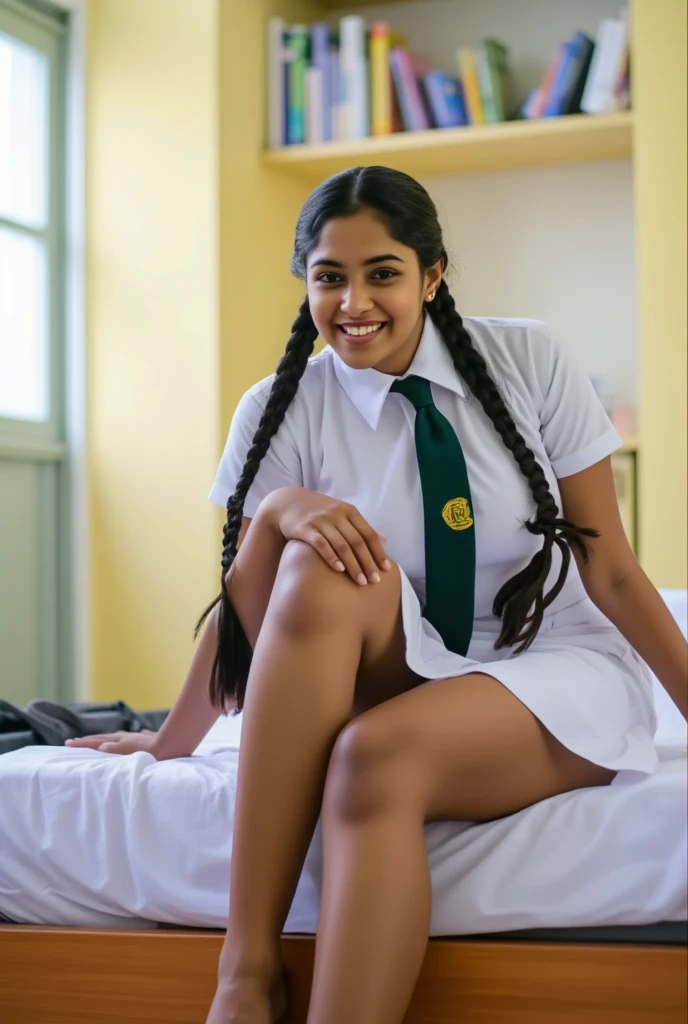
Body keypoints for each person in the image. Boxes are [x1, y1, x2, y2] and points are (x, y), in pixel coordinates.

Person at [67, 166, 688, 1024]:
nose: (354, 302)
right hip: (400, 664)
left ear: (432, 275)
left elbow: (610, 565)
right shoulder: (283, 405)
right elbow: (249, 604)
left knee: (373, 758)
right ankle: (245, 973)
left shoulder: (529, 359)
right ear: (307, 282)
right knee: (316, 560)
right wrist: (172, 741)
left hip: (548, 671)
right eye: (330, 277)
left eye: (382, 273)